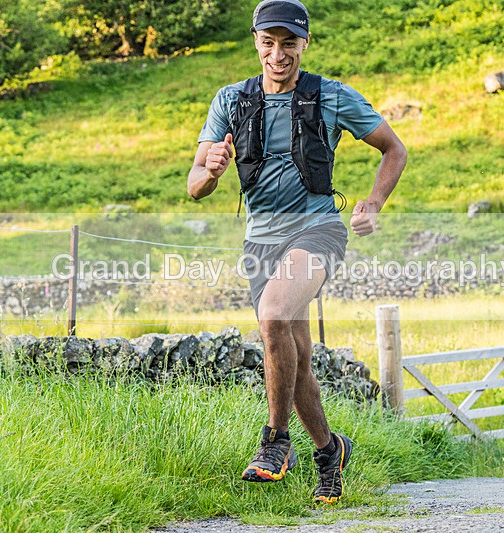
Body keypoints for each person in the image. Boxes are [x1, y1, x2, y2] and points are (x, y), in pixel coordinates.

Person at [187, 0, 406, 504]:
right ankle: (330, 454)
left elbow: (395, 148)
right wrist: (212, 171)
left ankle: (275, 441)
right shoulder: (230, 101)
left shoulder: (330, 97)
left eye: (289, 43)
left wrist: (373, 202)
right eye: (269, 42)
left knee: (273, 316)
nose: (278, 53)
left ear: (304, 44)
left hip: (318, 229)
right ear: (256, 42)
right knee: (297, 357)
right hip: (261, 241)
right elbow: (195, 184)